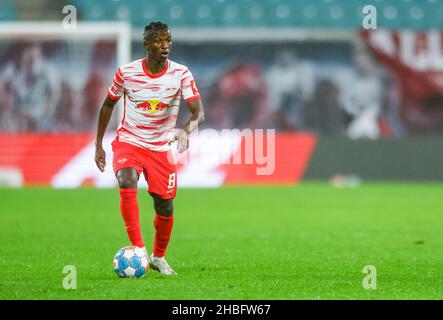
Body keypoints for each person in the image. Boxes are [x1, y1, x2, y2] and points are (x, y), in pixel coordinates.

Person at [94, 21, 205, 275]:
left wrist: (184, 130)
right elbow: (108, 105)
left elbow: (199, 114)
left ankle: (157, 257)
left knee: (164, 205)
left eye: (167, 40)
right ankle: (139, 250)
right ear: (146, 44)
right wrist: (99, 143)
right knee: (126, 178)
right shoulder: (126, 73)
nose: (164, 46)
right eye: (157, 41)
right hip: (130, 142)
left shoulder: (181, 74)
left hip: (161, 146)